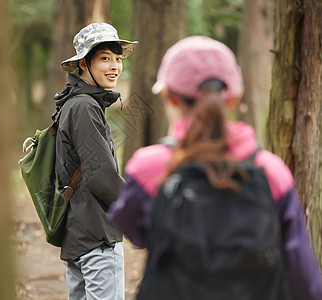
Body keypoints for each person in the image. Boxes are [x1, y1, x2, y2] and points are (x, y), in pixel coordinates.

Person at [107, 36, 322, 299]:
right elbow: (302, 273)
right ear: (233, 98)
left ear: (169, 97)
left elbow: (133, 230)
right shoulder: (271, 171)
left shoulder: (150, 167)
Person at [53, 22, 137, 300]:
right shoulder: (85, 107)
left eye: (117, 58)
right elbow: (101, 175)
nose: (114, 66)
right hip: (97, 238)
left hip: (77, 236)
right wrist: (137, 205)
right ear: (84, 64)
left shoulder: (73, 103)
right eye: (104, 58)